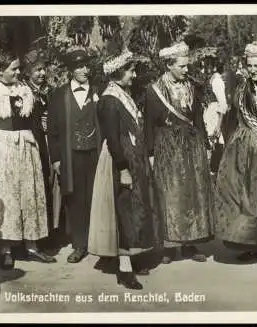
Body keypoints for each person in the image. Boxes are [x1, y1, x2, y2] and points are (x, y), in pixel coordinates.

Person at [0, 50, 55, 268]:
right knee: (7, 197)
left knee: (30, 194)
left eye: (19, 68)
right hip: (2, 149)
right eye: (14, 68)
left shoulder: (24, 90)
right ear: (0, 70)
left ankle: (32, 247)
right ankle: (6, 250)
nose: (19, 72)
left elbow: (34, 122)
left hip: (26, 149)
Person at [88, 47, 159, 289]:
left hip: (132, 158)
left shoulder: (122, 94)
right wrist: (123, 169)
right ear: (118, 73)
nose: (134, 75)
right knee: (123, 211)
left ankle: (132, 257)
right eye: (130, 71)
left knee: (132, 208)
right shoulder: (109, 100)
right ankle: (124, 268)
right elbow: (113, 139)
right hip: (120, 161)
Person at [214, 41, 257, 267]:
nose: (253, 69)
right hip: (242, 146)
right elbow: (233, 118)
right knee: (241, 194)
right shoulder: (240, 88)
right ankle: (251, 244)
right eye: (250, 65)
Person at [144, 42, 213, 264]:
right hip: (167, 148)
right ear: (169, 65)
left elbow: (199, 119)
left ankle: (190, 243)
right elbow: (149, 125)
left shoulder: (192, 87)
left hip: (191, 147)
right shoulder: (153, 91)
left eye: (187, 66)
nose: (186, 70)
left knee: (191, 194)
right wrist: (151, 153)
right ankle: (169, 246)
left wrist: (206, 146)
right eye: (182, 66)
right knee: (170, 195)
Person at [48, 49, 102, 264]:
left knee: (97, 196)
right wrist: (56, 159)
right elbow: (52, 130)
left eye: (87, 66)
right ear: (71, 70)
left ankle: (99, 243)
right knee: (75, 199)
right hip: (71, 156)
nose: (84, 70)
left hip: (96, 153)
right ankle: (79, 244)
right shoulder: (59, 95)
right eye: (79, 66)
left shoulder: (99, 91)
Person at [22, 48, 56, 237]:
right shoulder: (24, 92)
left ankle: (48, 230)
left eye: (43, 69)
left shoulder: (48, 91)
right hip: (32, 141)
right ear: (28, 72)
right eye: (37, 70)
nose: (42, 73)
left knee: (48, 182)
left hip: (47, 140)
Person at [194, 47, 230, 174]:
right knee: (209, 142)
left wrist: (219, 125)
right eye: (206, 62)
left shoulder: (217, 80)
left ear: (215, 64)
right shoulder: (208, 78)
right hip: (208, 112)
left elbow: (223, 104)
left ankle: (216, 170)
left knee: (216, 142)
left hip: (215, 114)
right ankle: (211, 170)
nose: (208, 66)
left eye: (211, 63)